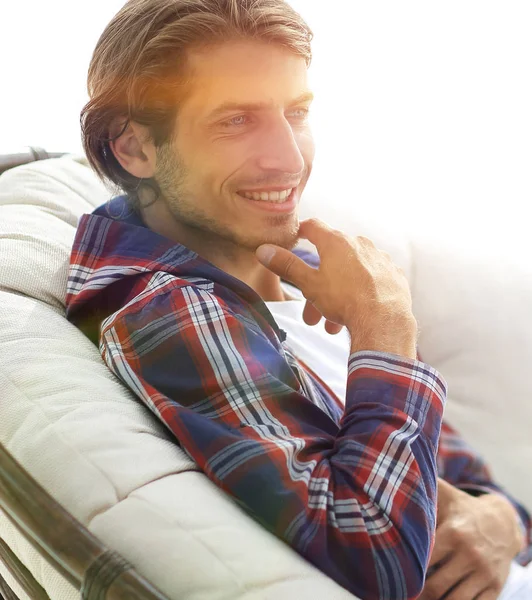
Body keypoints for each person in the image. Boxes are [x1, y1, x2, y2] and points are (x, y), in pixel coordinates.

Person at [65, 0, 531, 598]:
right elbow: (375, 562)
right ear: (133, 150)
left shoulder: (311, 274)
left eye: (297, 112)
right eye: (235, 120)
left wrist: (503, 522)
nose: (288, 158)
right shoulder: (177, 313)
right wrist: (385, 328)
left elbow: (473, 482)